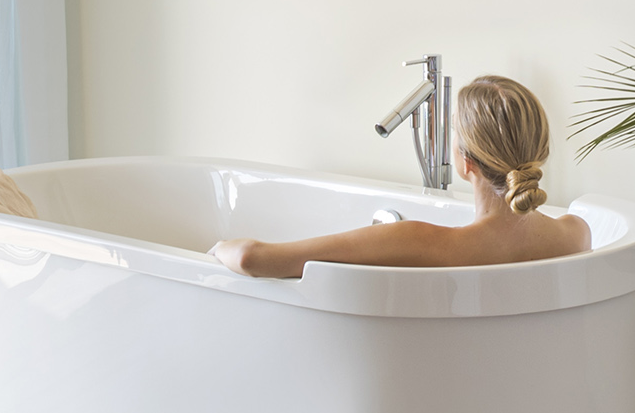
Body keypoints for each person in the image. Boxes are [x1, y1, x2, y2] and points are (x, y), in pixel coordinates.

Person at [212, 76, 591, 278]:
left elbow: (251, 259)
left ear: (465, 162)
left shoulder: (423, 242)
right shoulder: (576, 234)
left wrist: (217, 250)